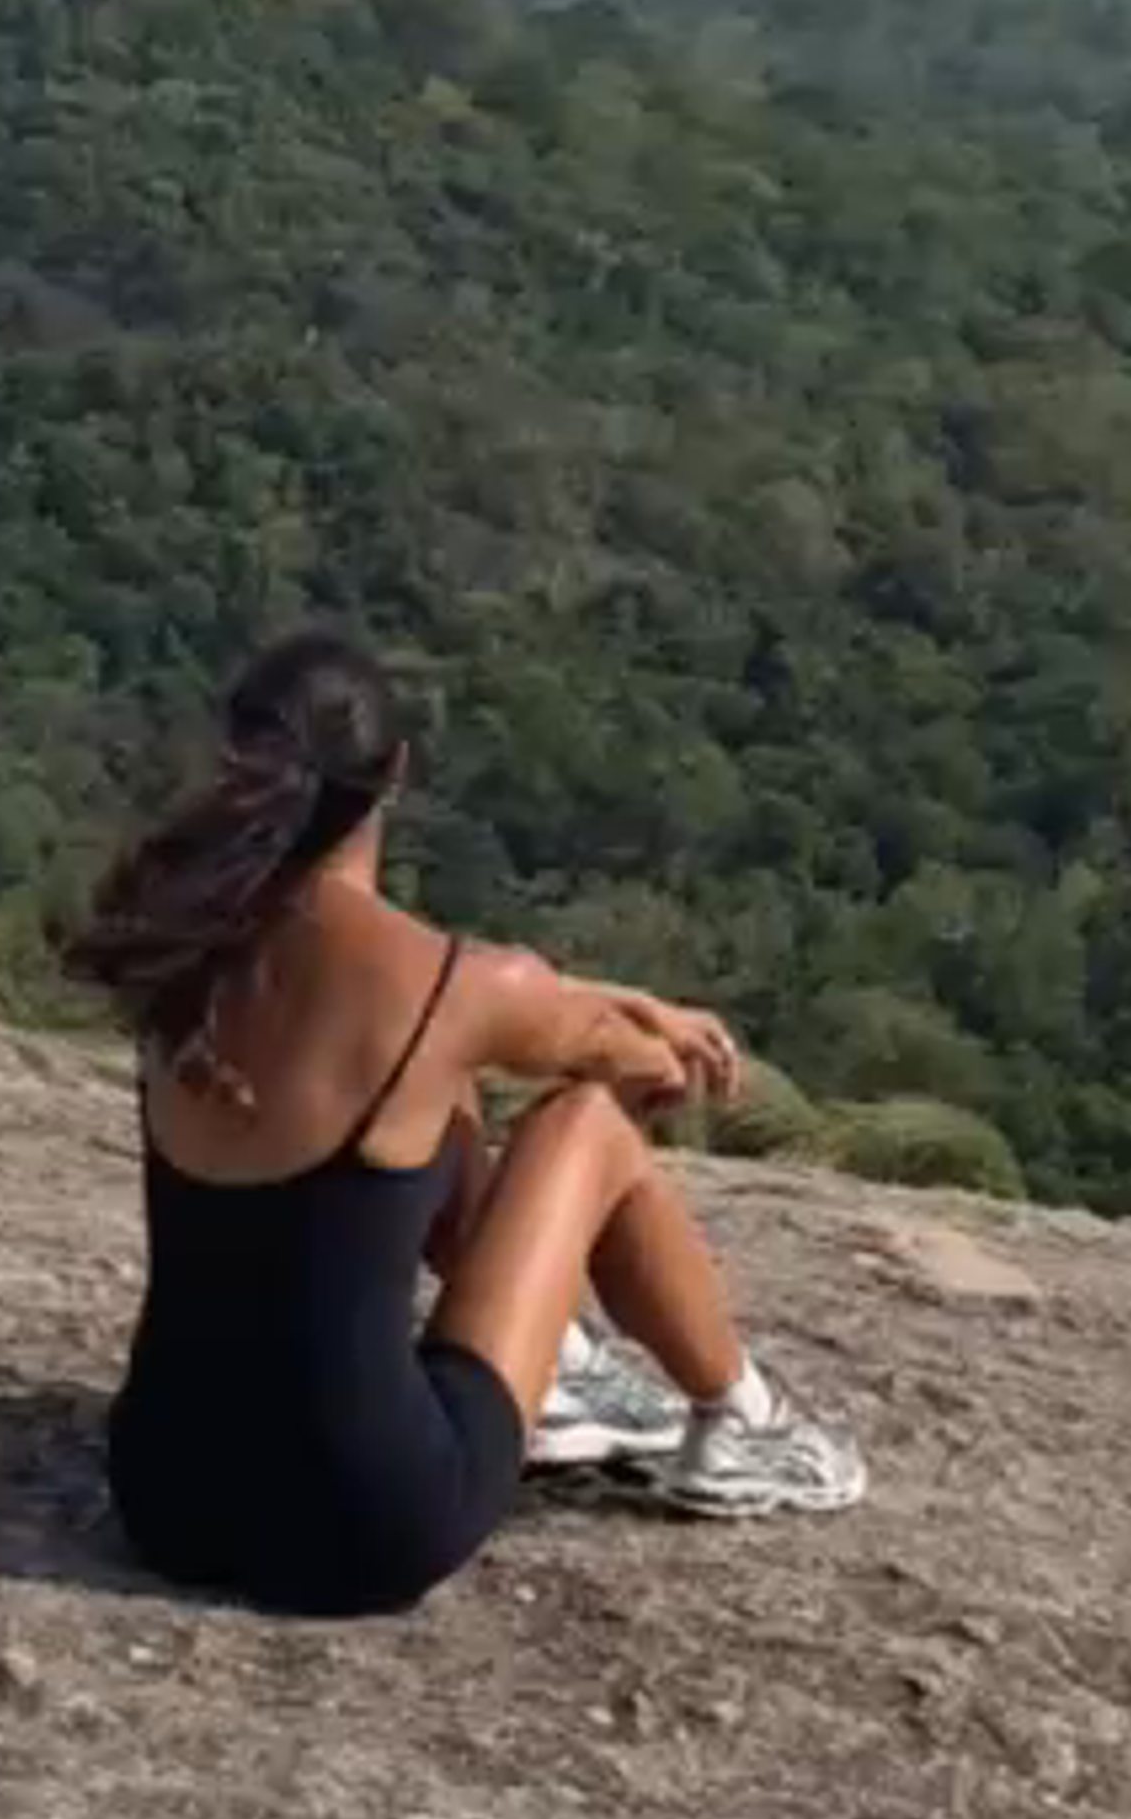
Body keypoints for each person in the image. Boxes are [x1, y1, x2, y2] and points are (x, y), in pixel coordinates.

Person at [70, 626, 866, 1615]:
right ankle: (739, 1420)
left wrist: (573, 999)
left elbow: (492, 998)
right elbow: (624, 1059)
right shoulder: (443, 985)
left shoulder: (177, 934)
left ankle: (565, 1369)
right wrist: (647, 1041)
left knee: (430, 1087)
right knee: (587, 1125)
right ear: (395, 771)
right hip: (365, 1518)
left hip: (167, 1495)